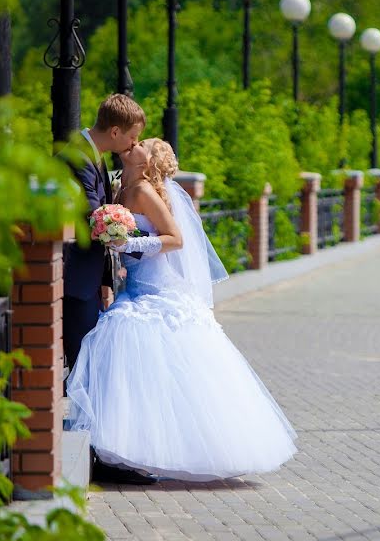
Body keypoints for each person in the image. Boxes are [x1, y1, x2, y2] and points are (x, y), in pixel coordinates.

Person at [66, 138, 298, 483]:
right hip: (133, 288)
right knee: (127, 362)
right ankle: (122, 453)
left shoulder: (145, 191)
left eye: (142, 143)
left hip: (157, 291)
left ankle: (134, 454)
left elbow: (176, 239)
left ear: (148, 161)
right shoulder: (119, 186)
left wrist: (128, 244)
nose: (134, 142)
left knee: (133, 350)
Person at [59, 94, 145, 374]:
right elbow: (96, 216)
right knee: (84, 362)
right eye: (133, 137)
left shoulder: (93, 155)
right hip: (75, 275)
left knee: (89, 361)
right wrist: (144, 248)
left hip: (88, 276)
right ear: (115, 131)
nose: (134, 144)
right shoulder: (79, 157)